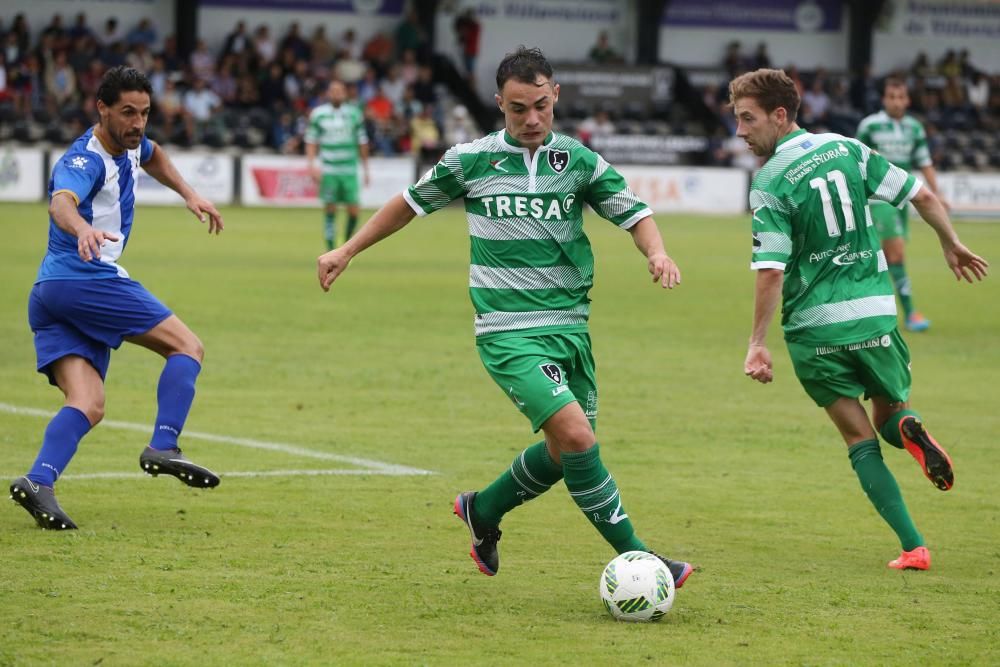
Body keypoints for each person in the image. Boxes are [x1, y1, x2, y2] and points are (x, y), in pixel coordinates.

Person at [316, 47, 693, 586]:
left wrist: (656, 252)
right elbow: (407, 202)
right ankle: (644, 559)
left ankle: (483, 510)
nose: (532, 118)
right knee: (579, 440)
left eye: (541, 105)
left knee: (565, 455)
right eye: (518, 109)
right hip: (508, 332)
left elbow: (634, 212)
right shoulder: (471, 160)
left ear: (556, 95)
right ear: (499, 104)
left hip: (571, 328)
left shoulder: (580, 161)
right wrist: (346, 250)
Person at [732, 68, 988, 570]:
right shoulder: (849, 149)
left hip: (814, 327)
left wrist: (757, 342)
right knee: (892, 414)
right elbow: (922, 195)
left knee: (858, 440)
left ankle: (914, 546)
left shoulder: (769, 181)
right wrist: (950, 242)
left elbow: (769, 271)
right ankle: (909, 427)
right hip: (874, 316)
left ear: (780, 116)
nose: (740, 131)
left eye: (748, 119)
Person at [9, 66, 225, 531]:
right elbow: (61, 201)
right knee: (187, 346)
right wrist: (84, 227)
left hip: (50, 293)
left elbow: (153, 154)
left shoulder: (130, 144)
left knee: (88, 402)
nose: (138, 123)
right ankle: (164, 444)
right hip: (84, 279)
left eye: (145, 112)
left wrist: (190, 194)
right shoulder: (85, 160)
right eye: (127, 112)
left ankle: (38, 481)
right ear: (101, 108)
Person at [856, 77, 948, 332]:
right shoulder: (870, 125)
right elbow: (857, 160)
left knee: (882, 257)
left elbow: (924, 162)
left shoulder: (914, 128)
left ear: (907, 100)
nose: (896, 102)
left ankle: (868, 309)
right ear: (884, 99)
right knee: (895, 253)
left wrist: (936, 195)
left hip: (904, 199)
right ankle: (910, 314)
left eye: (900, 97)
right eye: (891, 97)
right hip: (878, 199)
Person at [306, 80, 370, 250]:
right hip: (329, 169)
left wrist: (366, 169)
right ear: (328, 93)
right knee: (330, 210)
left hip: (349, 169)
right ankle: (330, 249)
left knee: (354, 211)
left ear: (345, 93)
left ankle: (345, 245)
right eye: (333, 91)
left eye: (340, 91)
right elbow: (311, 141)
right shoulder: (318, 114)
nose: (336, 94)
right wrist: (311, 165)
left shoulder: (355, 114)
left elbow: (362, 143)